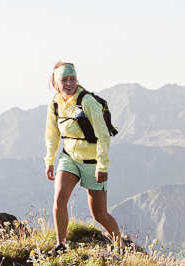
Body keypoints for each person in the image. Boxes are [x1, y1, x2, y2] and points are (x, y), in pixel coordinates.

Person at [42, 61, 125, 252]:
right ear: (56, 83)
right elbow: (52, 135)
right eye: (64, 80)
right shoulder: (54, 104)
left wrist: (102, 166)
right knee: (59, 200)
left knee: (99, 214)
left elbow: (104, 136)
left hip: (92, 161)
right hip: (69, 157)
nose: (69, 83)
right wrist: (49, 160)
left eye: (72, 79)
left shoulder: (87, 102)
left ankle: (120, 246)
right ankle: (61, 244)